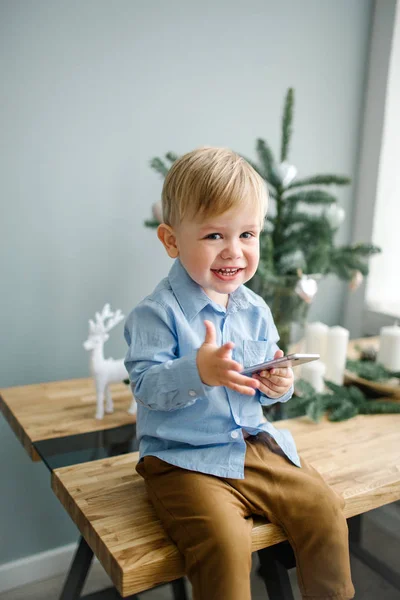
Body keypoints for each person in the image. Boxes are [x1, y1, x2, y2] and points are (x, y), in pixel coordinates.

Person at [124, 147, 355, 600]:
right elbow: (147, 388)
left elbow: (259, 388)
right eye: (214, 235)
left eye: (248, 233)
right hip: (182, 459)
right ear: (171, 241)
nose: (234, 251)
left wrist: (277, 384)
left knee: (325, 509)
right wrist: (198, 371)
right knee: (227, 546)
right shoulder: (156, 314)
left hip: (253, 448)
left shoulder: (255, 307)